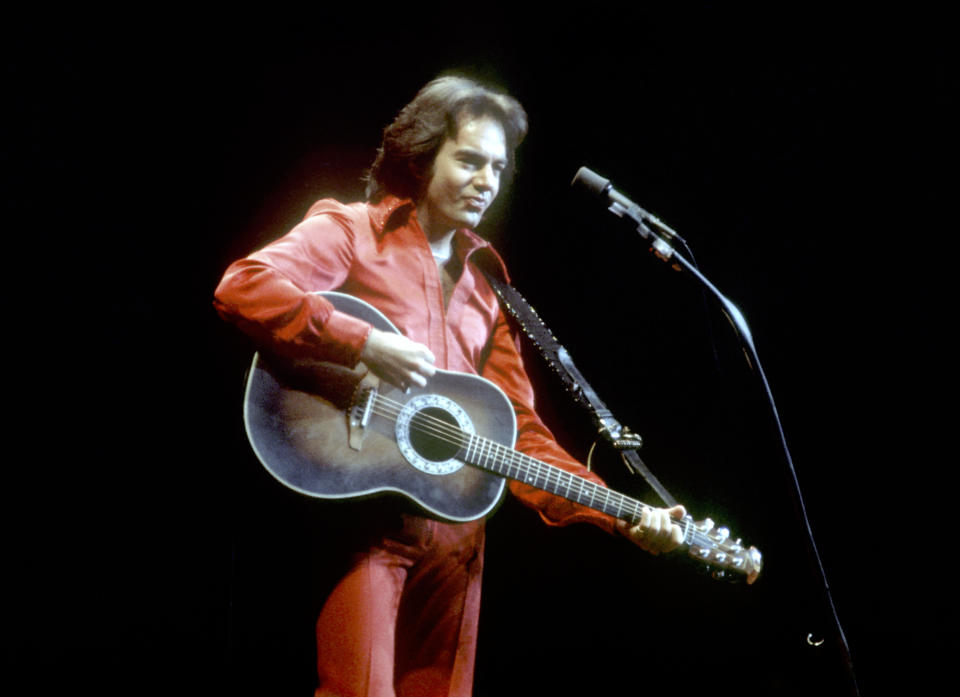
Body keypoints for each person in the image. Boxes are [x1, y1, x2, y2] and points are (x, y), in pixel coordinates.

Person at [214, 75, 687, 697]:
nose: (486, 180)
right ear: (422, 155)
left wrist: (619, 515)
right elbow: (244, 285)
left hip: (459, 541)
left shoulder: (489, 283)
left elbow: (523, 436)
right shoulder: (353, 229)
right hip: (368, 525)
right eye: (468, 160)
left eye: (497, 167)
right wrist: (364, 340)